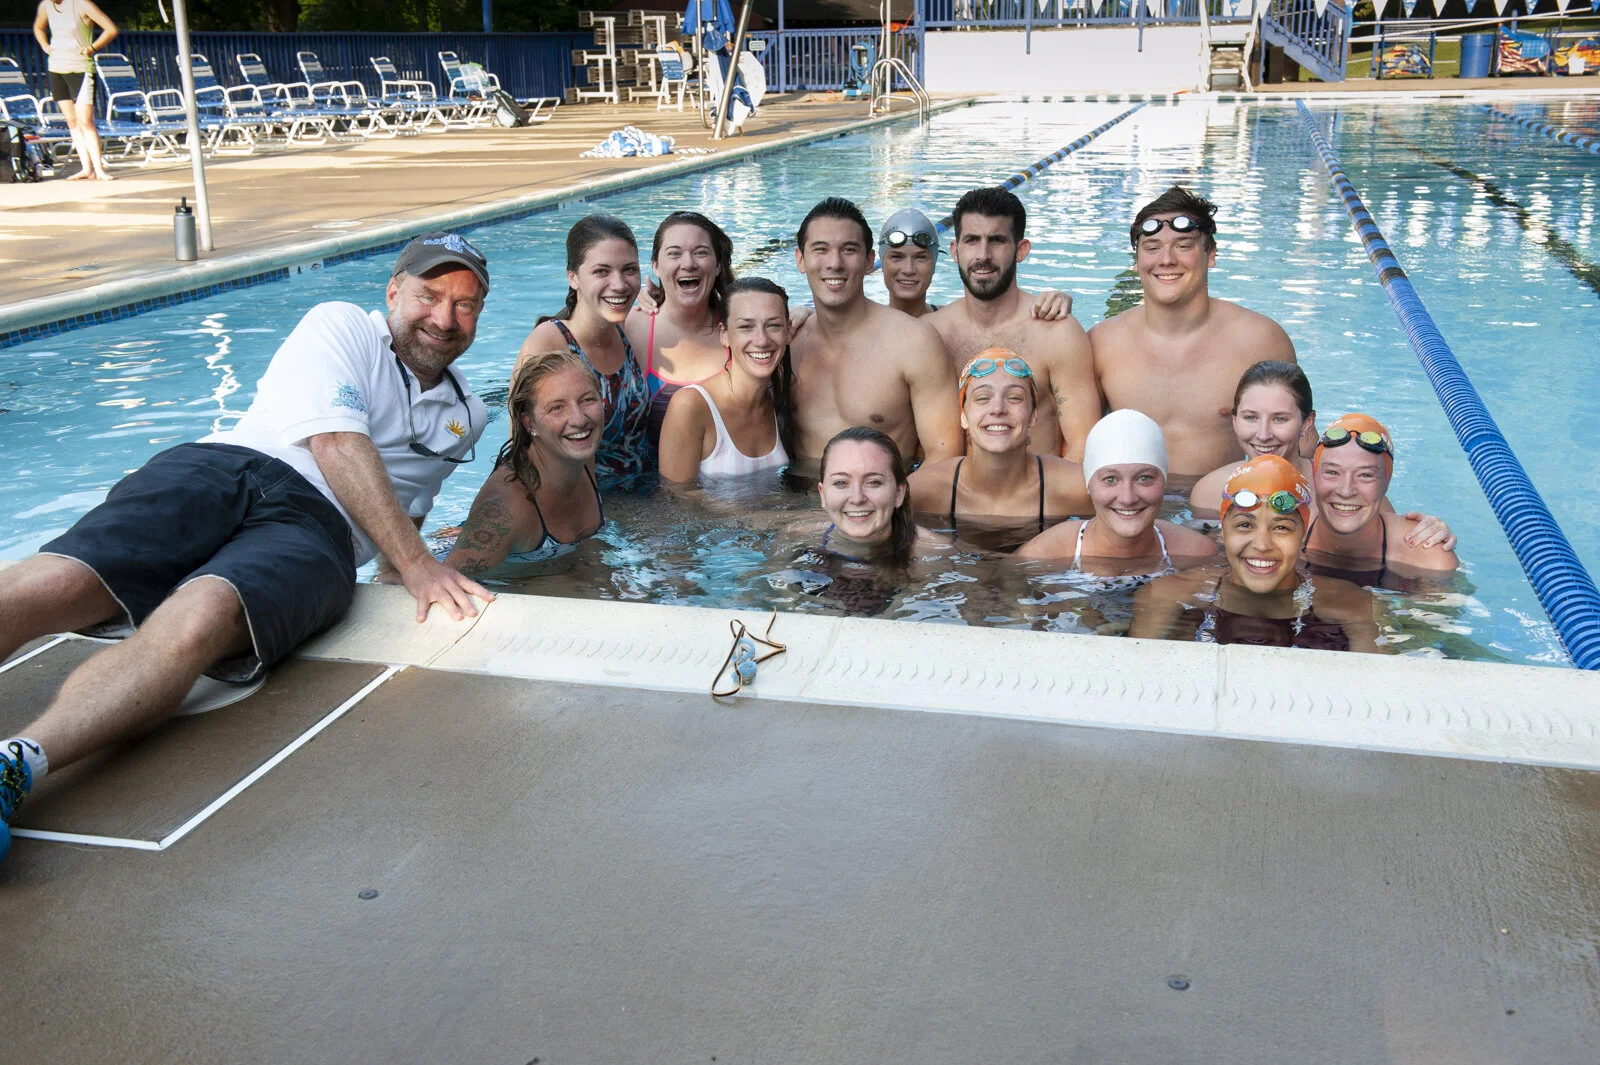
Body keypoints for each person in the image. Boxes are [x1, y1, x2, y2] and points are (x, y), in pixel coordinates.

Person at [0, 233, 495, 861]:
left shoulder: (465, 416)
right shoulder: (340, 324)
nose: (445, 318)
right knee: (60, 581)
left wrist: (409, 582)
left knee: (202, 615)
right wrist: (419, 567)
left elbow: (410, 511)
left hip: (317, 533)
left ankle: (12, 767)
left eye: (466, 305)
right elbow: (336, 443)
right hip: (226, 467)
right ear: (394, 291)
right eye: (430, 295)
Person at [1090, 186, 1297, 477]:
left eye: (1183, 246)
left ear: (1210, 254)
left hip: (1226, 510)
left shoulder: (1261, 340)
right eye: (1152, 248)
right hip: (1129, 507)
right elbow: (1078, 446)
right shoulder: (1102, 343)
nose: (1166, 260)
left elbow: (1298, 445)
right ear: (1136, 262)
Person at [1189, 362, 1455, 551]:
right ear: (1235, 421)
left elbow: (1390, 544)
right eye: (1250, 418)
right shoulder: (1209, 491)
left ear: (1307, 423)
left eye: (1280, 419)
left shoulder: (1342, 492)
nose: (1263, 434)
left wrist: (1431, 531)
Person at [1130, 455, 1384, 652]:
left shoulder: (1355, 606)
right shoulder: (1167, 595)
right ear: (1223, 533)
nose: (1262, 544)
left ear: (1303, 536)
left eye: (1281, 527)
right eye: (1244, 525)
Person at [787, 197, 961, 471]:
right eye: (820, 249)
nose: (834, 263)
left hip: (886, 508)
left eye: (849, 250)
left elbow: (944, 457)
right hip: (792, 506)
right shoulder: (785, 341)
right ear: (800, 259)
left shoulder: (915, 343)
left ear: (870, 261)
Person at [929, 187, 1102, 461]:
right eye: (972, 240)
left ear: (1021, 250)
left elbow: (1084, 446)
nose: (983, 255)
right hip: (954, 498)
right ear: (954, 250)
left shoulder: (1057, 332)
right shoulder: (931, 334)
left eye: (996, 241)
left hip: (1042, 496)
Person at [440, 349, 606, 580]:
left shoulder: (581, 451)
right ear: (530, 424)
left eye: (587, 400)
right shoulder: (506, 511)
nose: (579, 419)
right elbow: (446, 582)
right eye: (557, 407)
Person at [908, 349, 1092, 552]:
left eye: (1014, 398)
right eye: (982, 398)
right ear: (963, 417)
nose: (997, 408)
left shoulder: (1075, 488)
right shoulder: (924, 491)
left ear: (1033, 416)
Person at [519, 214, 650, 489]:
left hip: (642, 496)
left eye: (629, 270)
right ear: (573, 277)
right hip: (583, 506)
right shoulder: (549, 344)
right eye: (601, 272)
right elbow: (521, 448)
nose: (620, 284)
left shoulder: (630, 330)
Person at [1017, 408, 1214, 575]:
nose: (1127, 498)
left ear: (1164, 482)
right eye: (1110, 480)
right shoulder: (1043, 557)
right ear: (1089, 484)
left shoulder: (1198, 554)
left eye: (1144, 478)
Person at [658, 277, 793, 482]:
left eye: (773, 325)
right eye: (746, 327)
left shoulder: (781, 396)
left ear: (788, 331)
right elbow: (676, 500)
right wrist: (777, 517)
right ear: (724, 334)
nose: (762, 340)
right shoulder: (690, 406)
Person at [1304, 413, 1460, 586]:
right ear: (1315, 477)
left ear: (1386, 482)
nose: (1346, 490)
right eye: (1332, 472)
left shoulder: (1428, 558)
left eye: (1365, 475)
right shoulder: (1286, 535)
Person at [624, 211, 736, 449]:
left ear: (717, 266)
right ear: (655, 266)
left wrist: (802, 313)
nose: (688, 264)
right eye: (674, 253)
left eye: (701, 252)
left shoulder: (741, 329)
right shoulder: (633, 326)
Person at [875, 206, 1074, 322]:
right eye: (897, 257)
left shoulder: (953, 322)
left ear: (935, 263)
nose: (908, 270)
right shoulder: (865, 324)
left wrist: (1057, 300)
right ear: (878, 263)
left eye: (921, 257)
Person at [33, 0, 117, 181]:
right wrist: (45, 45)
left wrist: (92, 48)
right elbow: (39, 27)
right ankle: (86, 168)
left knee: (86, 121)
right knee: (72, 122)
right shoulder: (46, 6)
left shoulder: (82, 4)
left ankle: (99, 169)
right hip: (57, 68)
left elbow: (111, 29)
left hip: (81, 69)